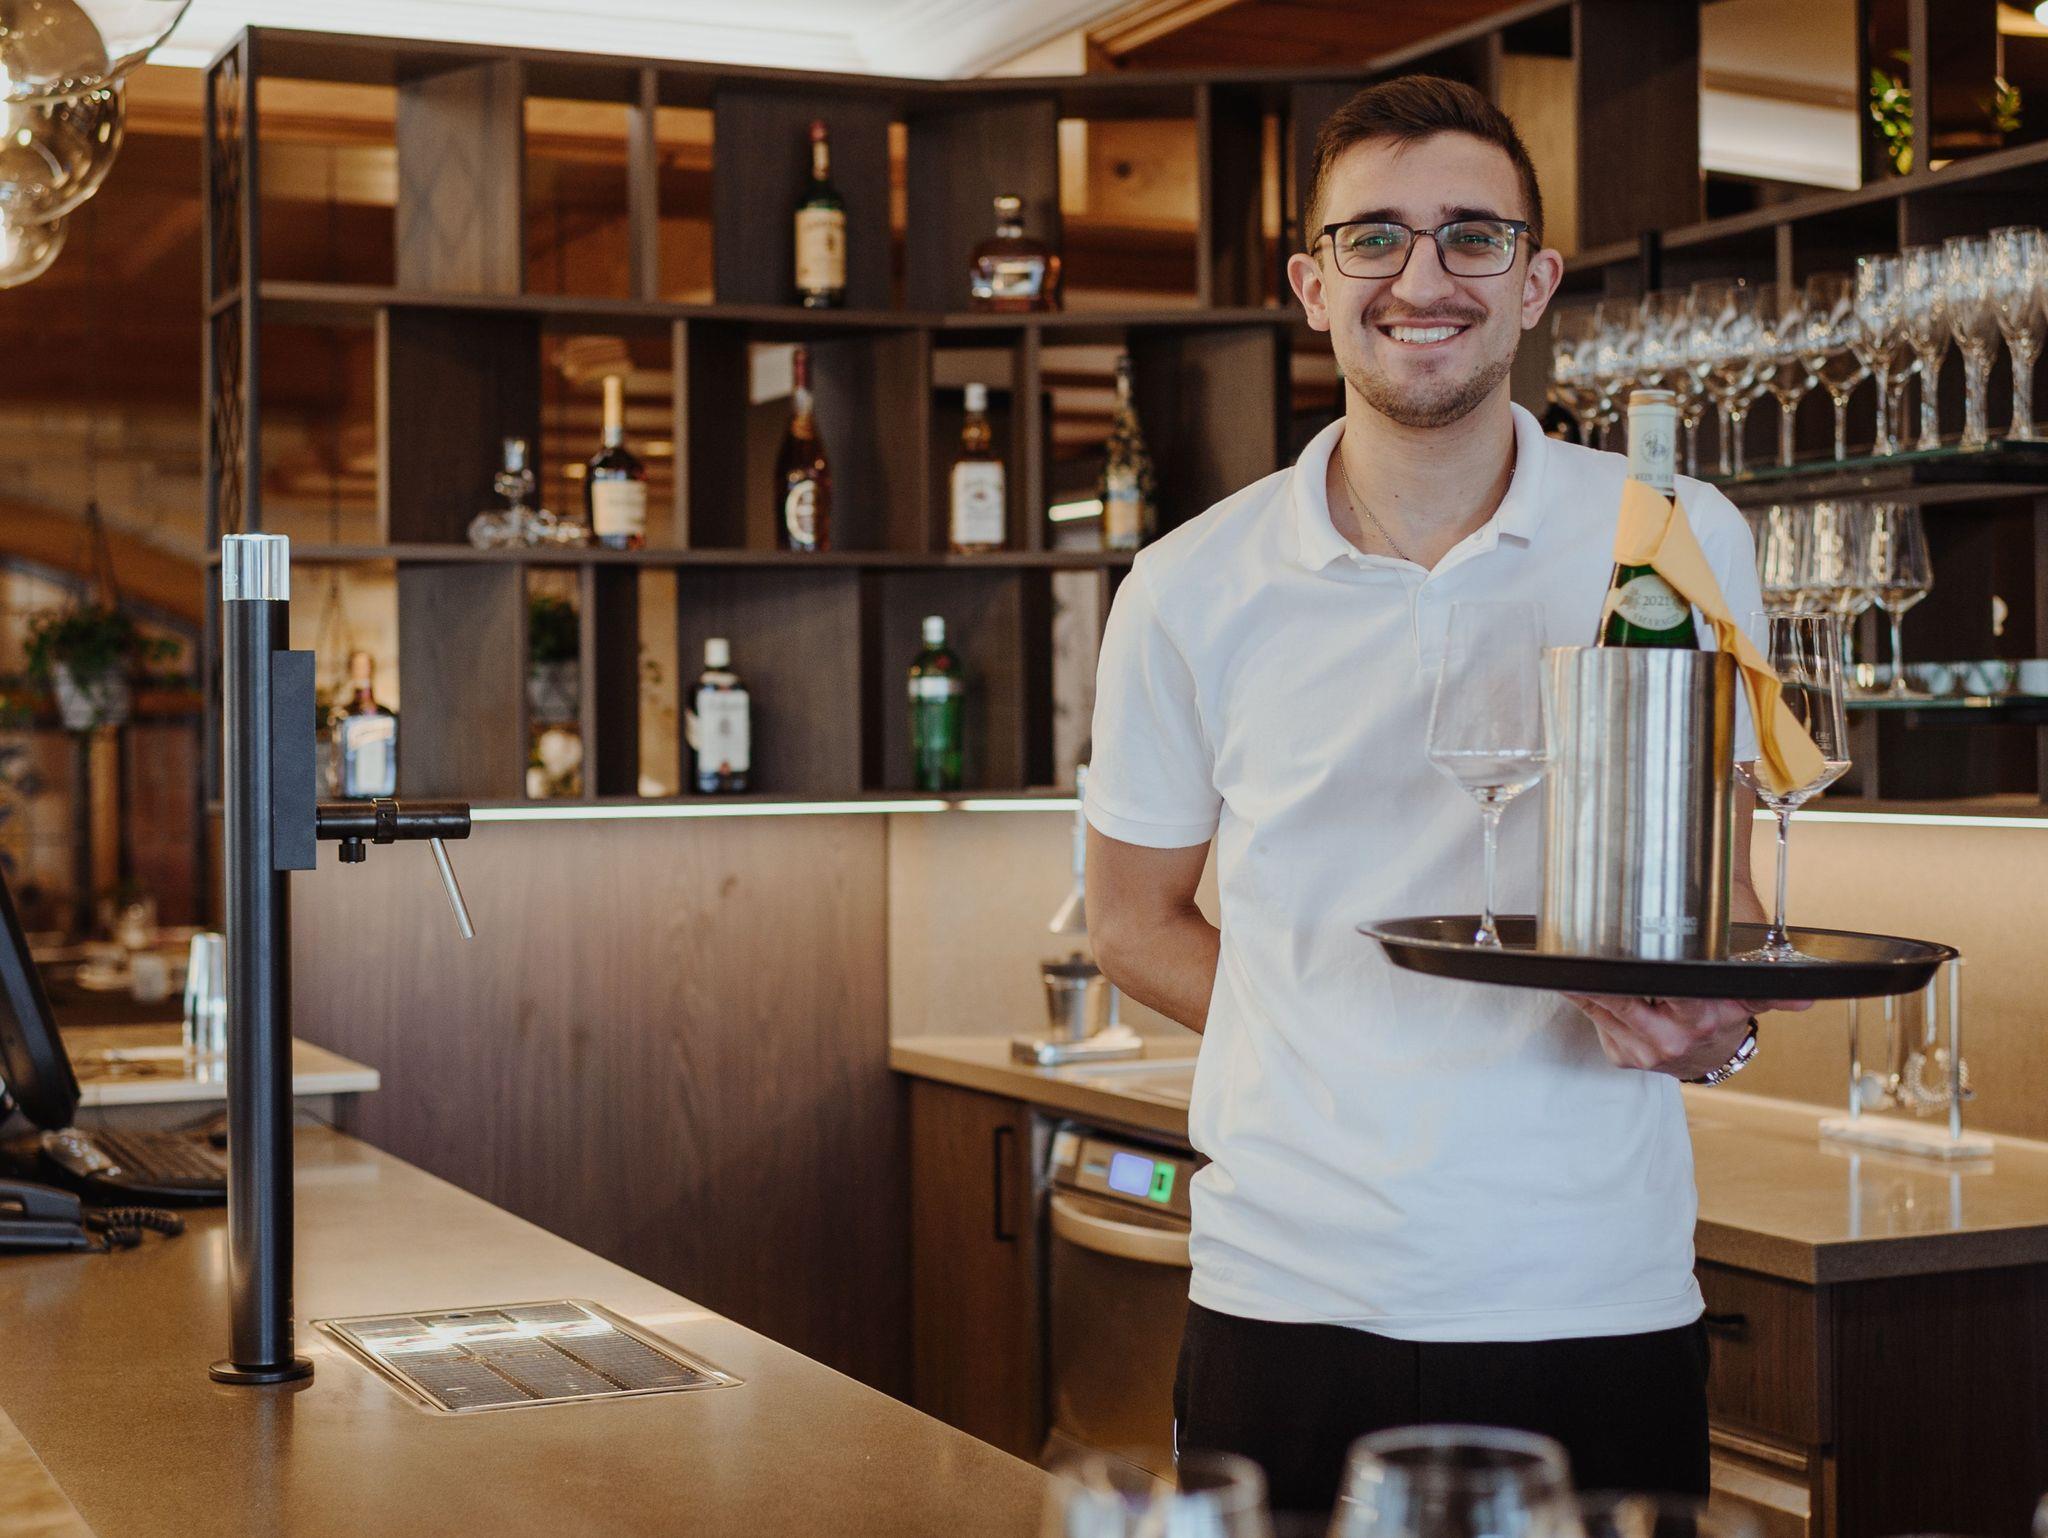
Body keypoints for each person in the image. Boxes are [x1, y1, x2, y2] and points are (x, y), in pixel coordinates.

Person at [1082, 75, 1810, 1513]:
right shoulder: (1183, 584)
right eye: (1374, 238)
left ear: (1535, 282)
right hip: (1286, 1287)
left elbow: (1714, 905)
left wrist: (1714, 1029)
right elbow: (1128, 920)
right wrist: (1334, 1040)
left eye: (1474, 236)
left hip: (1593, 1288)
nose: (1423, 279)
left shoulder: (1672, 534)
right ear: (1312, 285)